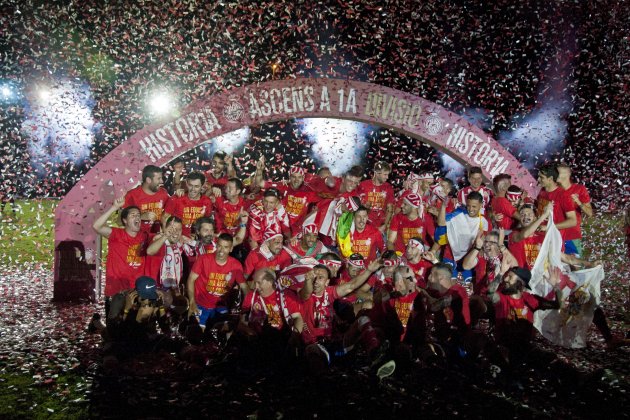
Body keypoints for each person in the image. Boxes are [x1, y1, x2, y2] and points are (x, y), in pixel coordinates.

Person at [92, 197, 149, 314]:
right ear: (125, 221)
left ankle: (97, 324)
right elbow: (96, 226)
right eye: (133, 215)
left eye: (138, 215)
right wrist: (114, 207)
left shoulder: (144, 236)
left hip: (136, 292)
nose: (137, 217)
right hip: (115, 291)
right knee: (114, 328)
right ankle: (97, 324)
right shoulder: (116, 234)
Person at [187, 233, 248, 328]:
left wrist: (247, 309)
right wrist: (192, 301)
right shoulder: (203, 259)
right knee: (198, 334)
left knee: (225, 333)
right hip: (200, 304)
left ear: (231, 249)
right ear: (216, 245)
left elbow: (244, 287)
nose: (221, 250)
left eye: (226, 247)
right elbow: (191, 280)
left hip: (221, 306)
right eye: (219, 246)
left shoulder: (236, 265)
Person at [437, 189, 492, 282]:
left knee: (466, 287)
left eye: (474, 206)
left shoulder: (484, 222)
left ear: (481, 205)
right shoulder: (458, 213)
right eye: (468, 206)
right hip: (450, 256)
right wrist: (443, 206)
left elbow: (483, 240)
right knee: (448, 284)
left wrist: (481, 248)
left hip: (466, 260)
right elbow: (441, 223)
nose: (470, 209)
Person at [254, 160, 321, 236]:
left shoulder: (309, 191)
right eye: (293, 177)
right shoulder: (282, 186)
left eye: (299, 177)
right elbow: (260, 183)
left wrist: (313, 211)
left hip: (298, 231)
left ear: (303, 178)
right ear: (289, 177)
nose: (296, 180)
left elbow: (323, 200)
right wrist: (259, 170)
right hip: (279, 228)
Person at [536, 164, 578, 252]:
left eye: (541, 177)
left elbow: (573, 221)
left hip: (553, 241)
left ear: (550, 179)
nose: (538, 179)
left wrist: (548, 227)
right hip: (539, 239)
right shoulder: (542, 191)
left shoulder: (563, 195)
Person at [557, 163, 593, 257]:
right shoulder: (552, 190)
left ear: (568, 174)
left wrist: (578, 202)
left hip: (571, 235)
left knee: (575, 266)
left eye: (558, 172)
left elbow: (589, 213)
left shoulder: (579, 189)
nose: (555, 175)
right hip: (554, 233)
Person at [162, 172, 214, 237]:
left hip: (196, 239)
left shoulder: (207, 201)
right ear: (186, 183)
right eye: (190, 185)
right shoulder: (176, 198)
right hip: (176, 238)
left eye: (196, 186)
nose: (192, 189)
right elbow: (164, 218)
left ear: (202, 185)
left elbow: (207, 222)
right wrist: (167, 236)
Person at [124, 165, 170, 233]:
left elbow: (172, 208)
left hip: (157, 236)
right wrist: (141, 217)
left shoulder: (163, 193)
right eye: (158, 178)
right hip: (137, 236)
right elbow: (120, 220)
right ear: (148, 180)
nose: (162, 181)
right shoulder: (131, 195)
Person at [357, 161, 395, 232]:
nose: (387, 177)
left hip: (380, 227)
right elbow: (356, 205)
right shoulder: (363, 185)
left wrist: (384, 225)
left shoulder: (388, 187)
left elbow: (390, 209)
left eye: (388, 174)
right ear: (377, 173)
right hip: (364, 226)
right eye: (385, 174)